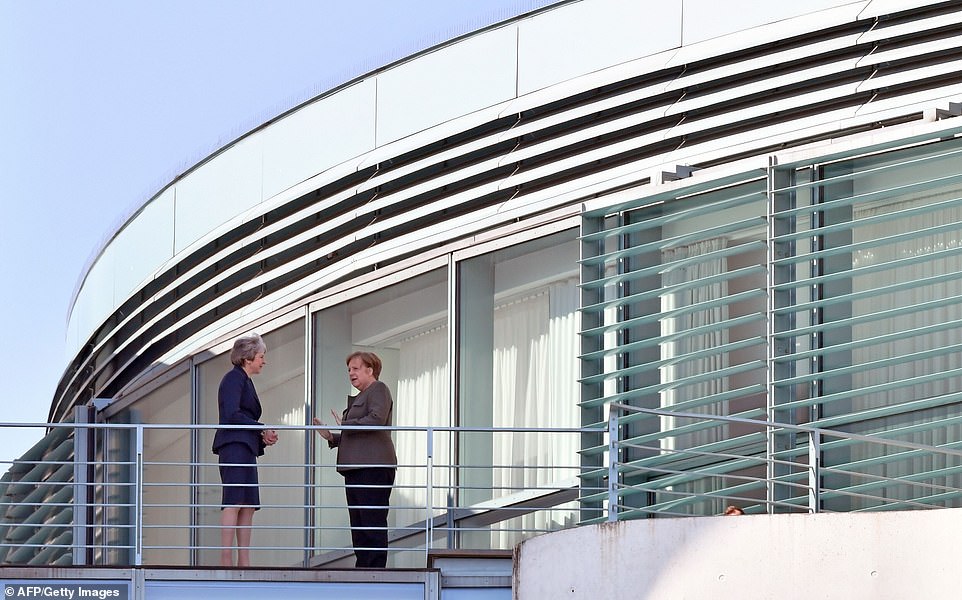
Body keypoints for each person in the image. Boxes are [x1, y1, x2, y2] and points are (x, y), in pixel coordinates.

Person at [314, 351, 397, 568]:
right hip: (356, 467)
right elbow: (359, 432)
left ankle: (375, 570)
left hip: (373, 466)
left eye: (355, 368)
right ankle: (364, 568)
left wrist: (347, 425)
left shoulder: (379, 388)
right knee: (359, 524)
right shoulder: (361, 396)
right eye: (349, 369)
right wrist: (332, 436)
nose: (351, 373)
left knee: (371, 522)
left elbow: (376, 419)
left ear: (370, 370)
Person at [211, 333, 278, 567]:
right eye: (261, 356)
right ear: (248, 357)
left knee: (248, 503)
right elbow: (231, 415)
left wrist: (262, 436)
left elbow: (241, 418)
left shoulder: (244, 380)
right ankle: (227, 558)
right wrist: (261, 428)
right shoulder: (233, 379)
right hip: (234, 447)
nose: (263, 361)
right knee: (235, 500)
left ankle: (244, 559)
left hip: (245, 447)